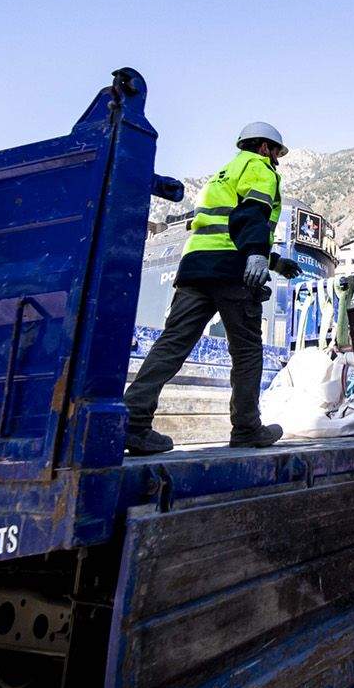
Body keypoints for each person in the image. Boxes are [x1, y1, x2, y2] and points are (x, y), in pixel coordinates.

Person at [124, 122, 292, 455]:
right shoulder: (260, 168)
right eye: (276, 153)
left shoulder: (222, 175)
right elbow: (251, 215)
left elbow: (222, 228)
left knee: (172, 343)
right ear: (264, 148)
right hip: (232, 273)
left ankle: (132, 422)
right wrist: (258, 256)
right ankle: (246, 428)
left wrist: (273, 261)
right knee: (246, 351)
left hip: (196, 268)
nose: (277, 160)